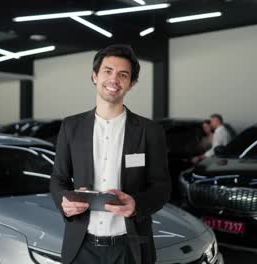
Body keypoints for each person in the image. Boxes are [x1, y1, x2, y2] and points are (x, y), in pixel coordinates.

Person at [50, 44, 171, 264]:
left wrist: (137, 204)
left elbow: (162, 188)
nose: (114, 79)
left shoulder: (150, 131)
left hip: (130, 248)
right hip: (81, 246)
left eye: (123, 74)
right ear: (95, 76)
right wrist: (64, 203)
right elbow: (58, 179)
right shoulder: (71, 126)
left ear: (131, 84)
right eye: (107, 71)